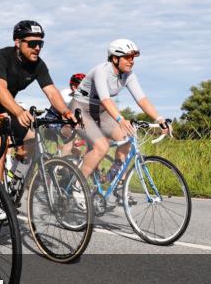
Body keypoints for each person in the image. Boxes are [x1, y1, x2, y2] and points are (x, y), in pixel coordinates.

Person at [0, 21, 76, 202]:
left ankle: (14, 177)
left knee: (32, 139)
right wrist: (19, 112)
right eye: (32, 43)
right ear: (18, 42)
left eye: (40, 44)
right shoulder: (1, 57)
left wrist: (66, 113)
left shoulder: (38, 65)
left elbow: (52, 92)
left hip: (5, 105)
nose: (37, 48)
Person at [70, 39, 169, 206]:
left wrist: (159, 119)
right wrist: (120, 119)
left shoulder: (129, 75)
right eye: (128, 57)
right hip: (80, 108)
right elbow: (106, 99)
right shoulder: (102, 71)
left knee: (127, 136)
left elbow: (142, 99)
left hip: (101, 111)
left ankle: (117, 182)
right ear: (115, 58)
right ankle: (77, 186)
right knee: (102, 147)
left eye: (133, 57)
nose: (132, 61)